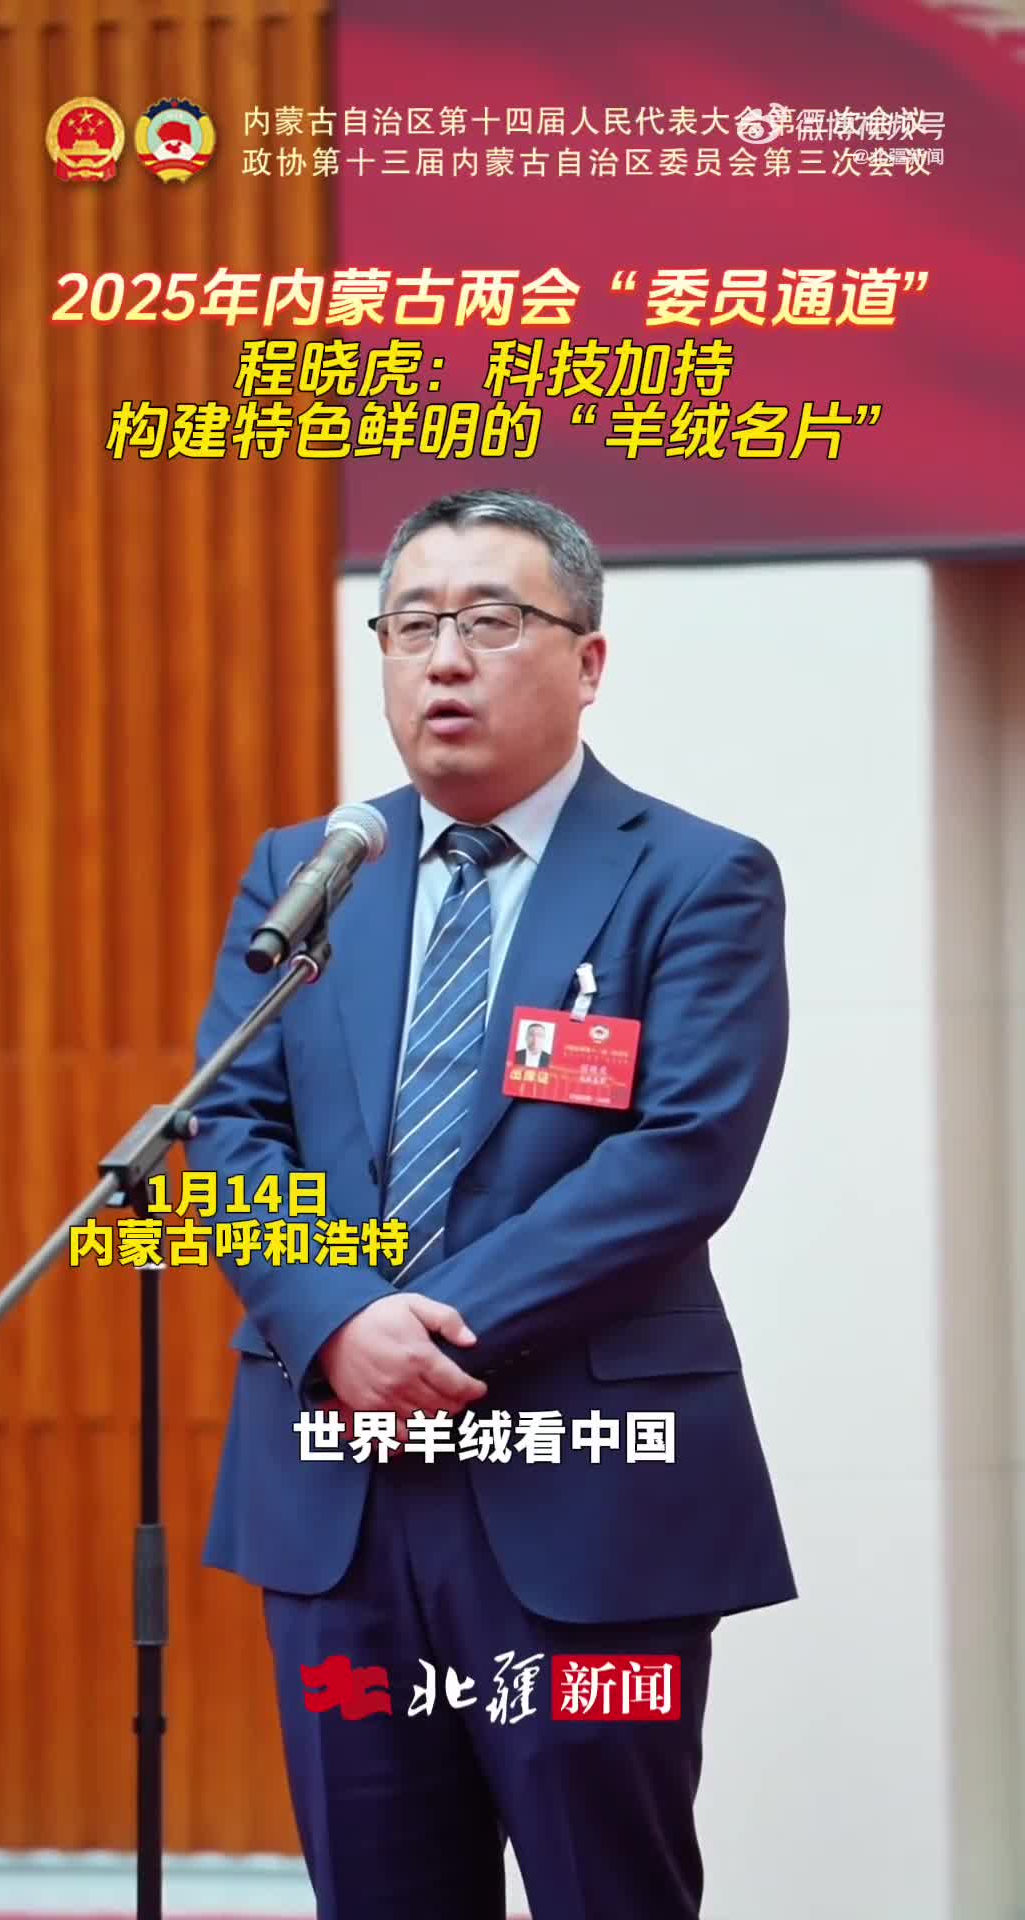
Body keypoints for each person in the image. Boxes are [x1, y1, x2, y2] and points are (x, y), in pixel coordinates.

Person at [190, 487, 795, 1920]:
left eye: (489, 620)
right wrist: (341, 1324)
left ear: (588, 660)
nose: (444, 658)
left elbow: (683, 1153)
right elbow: (231, 1126)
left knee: (608, 1889)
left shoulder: (694, 876)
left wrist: (427, 1329)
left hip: (587, 1496)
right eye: (410, 626)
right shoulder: (312, 875)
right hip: (339, 1496)